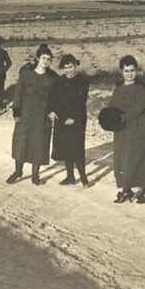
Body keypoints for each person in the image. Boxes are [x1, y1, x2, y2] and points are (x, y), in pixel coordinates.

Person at [6, 44, 58, 185]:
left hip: (42, 116)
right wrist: (16, 110)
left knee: (39, 144)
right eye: (43, 58)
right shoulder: (26, 73)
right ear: (38, 58)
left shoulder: (53, 78)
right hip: (25, 113)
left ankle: (35, 176)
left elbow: (55, 97)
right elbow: (18, 93)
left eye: (48, 59)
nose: (46, 61)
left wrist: (52, 110)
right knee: (21, 142)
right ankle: (18, 172)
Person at [108, 55, 145, 204]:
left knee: (138, 157)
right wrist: (107, 118)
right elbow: (112, 105)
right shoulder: (119, 88)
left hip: (137, 127)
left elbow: (138, 108)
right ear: (121, 71)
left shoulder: (141, 88)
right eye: (126, 71)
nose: (130, 74)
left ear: (136, 71)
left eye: (132, 70)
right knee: (122, 159)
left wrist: (121, 118)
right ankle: (126, 190)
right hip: (122, 129)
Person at [47, 54, 90, 187]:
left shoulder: (82, 81)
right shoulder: (59, 81)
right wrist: (51, 111)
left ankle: (83, 178)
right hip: (61, 119)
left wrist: (74, 118)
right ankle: (70, 176)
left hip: (77, 119)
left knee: (77, 148)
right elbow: (51, 98)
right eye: (65, 68)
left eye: (70, 67)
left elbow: (81, 101)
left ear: (75, 66)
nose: (68, 70)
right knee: (66, 147)